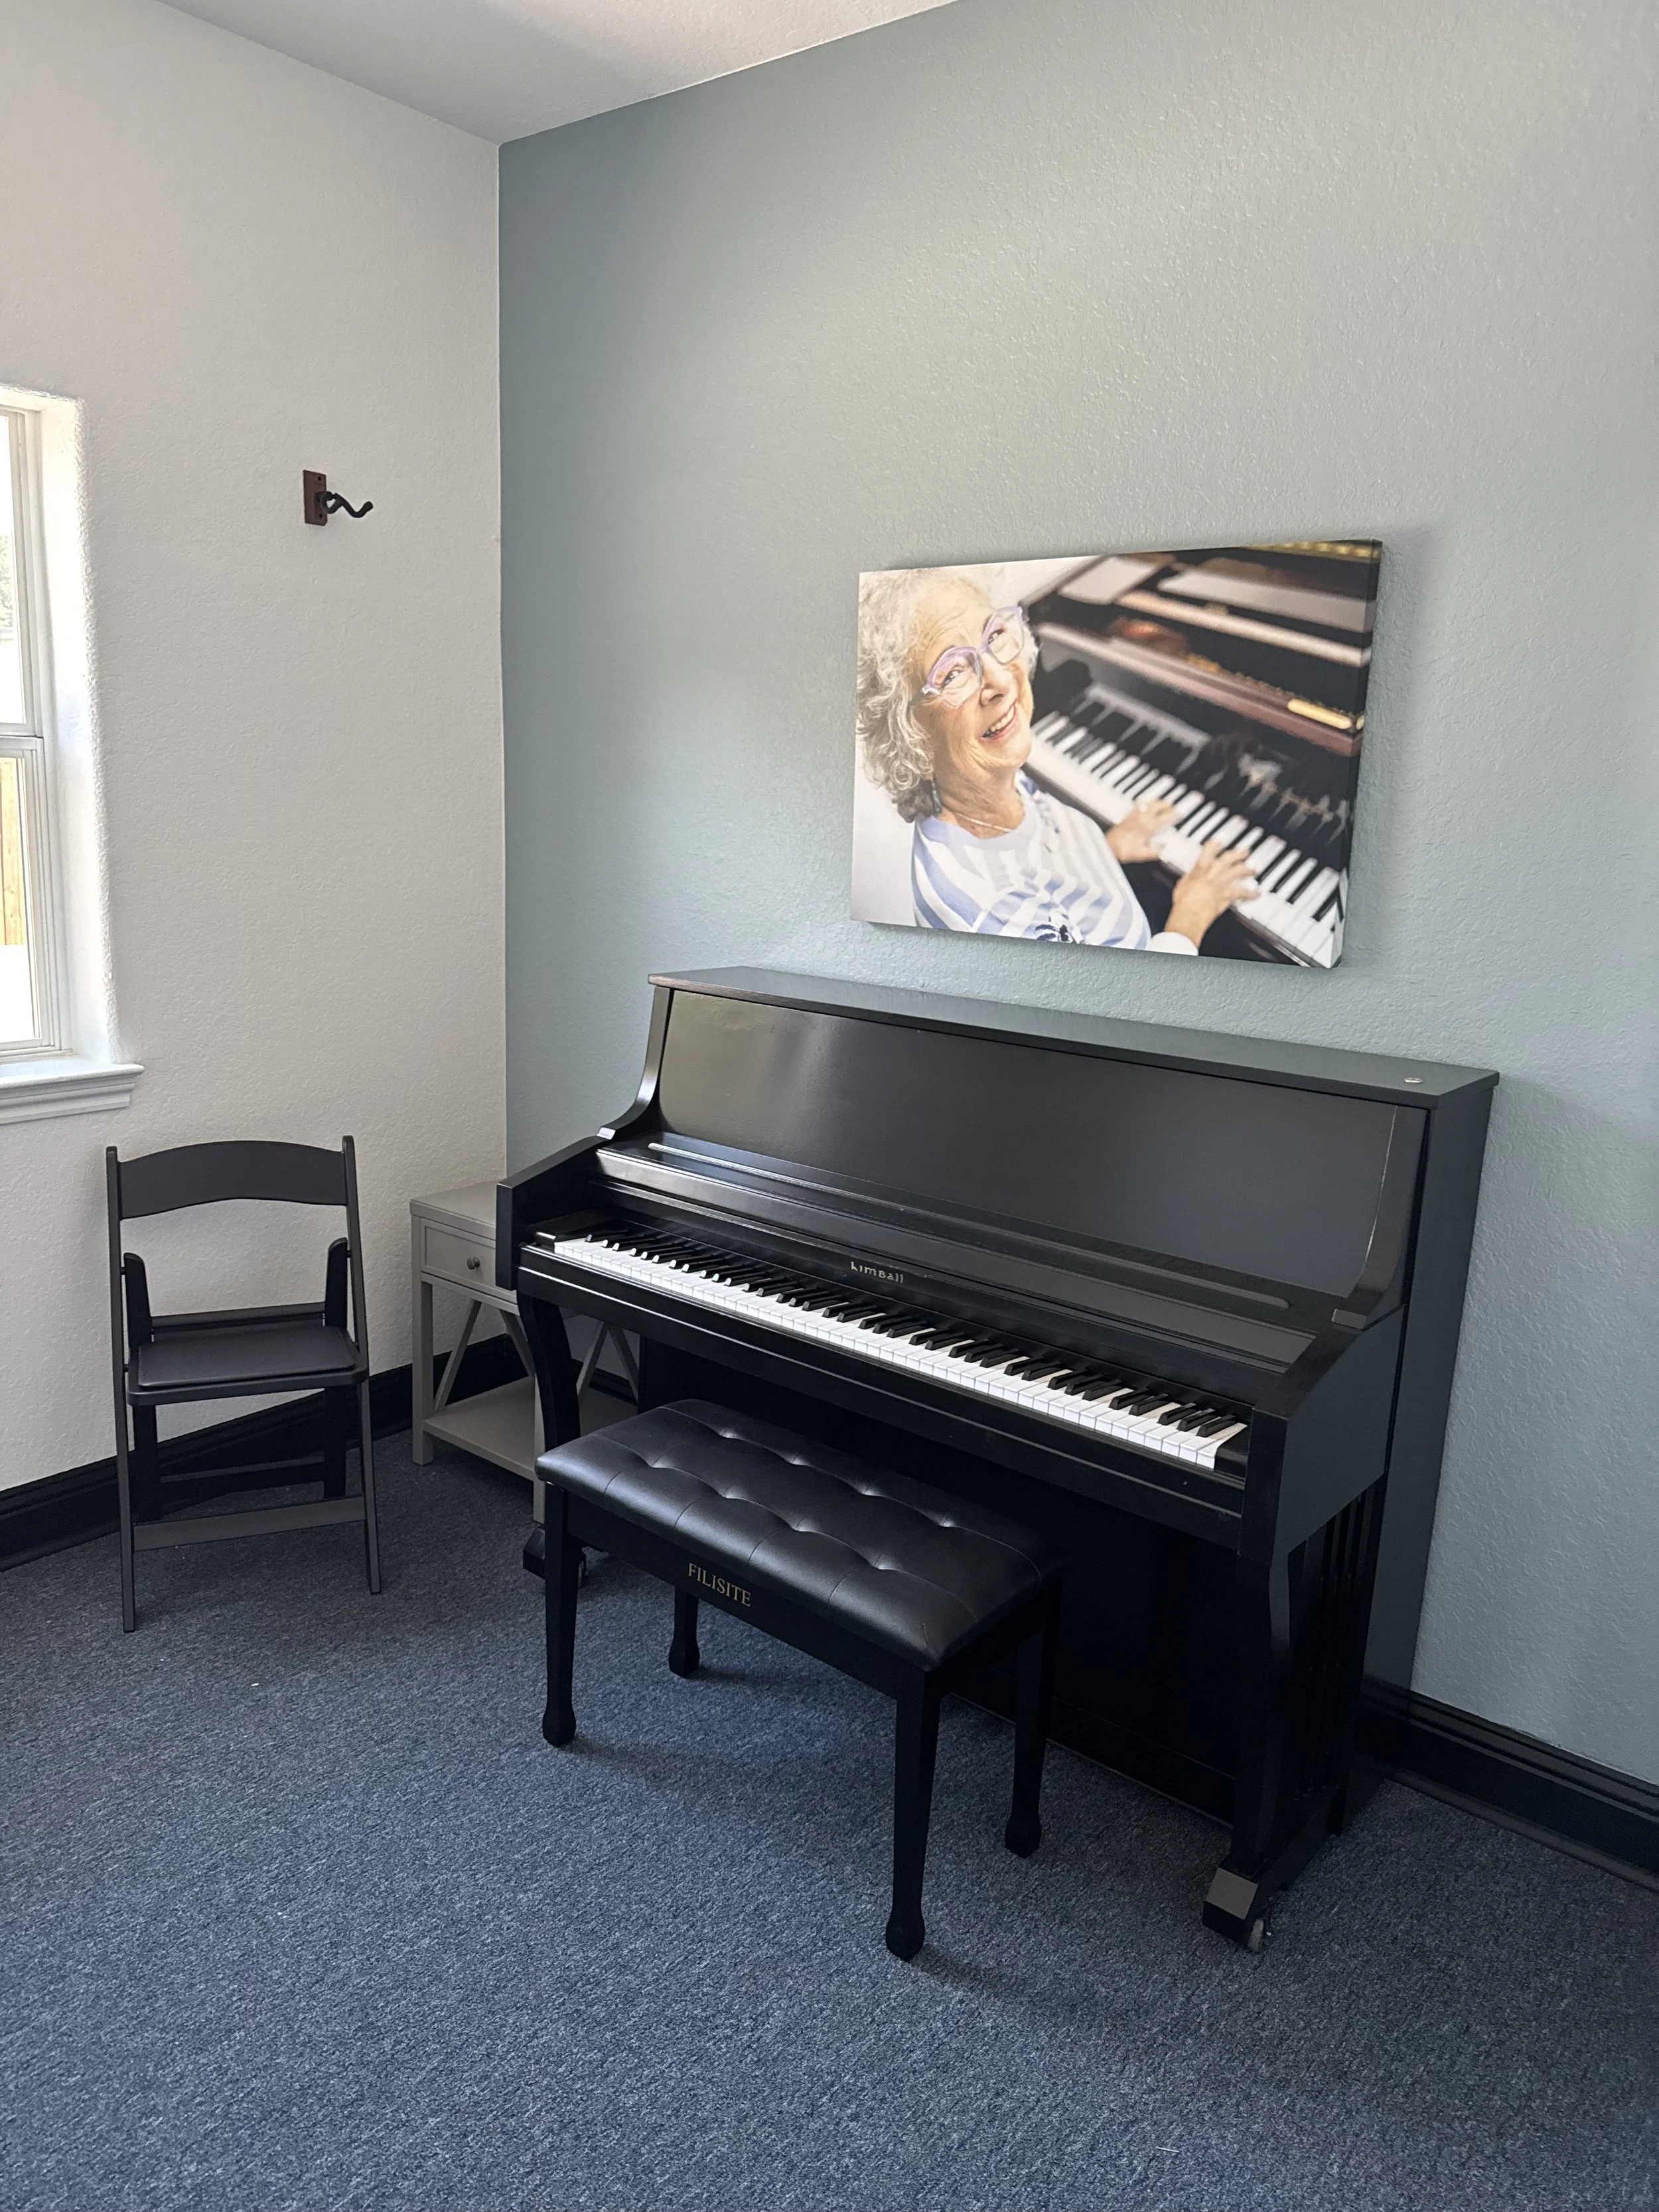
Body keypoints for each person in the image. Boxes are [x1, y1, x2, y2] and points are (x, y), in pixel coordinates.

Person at [856, 568, 1254, 950]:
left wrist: (1101, 852)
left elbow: (1038, 859)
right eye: (952, 673)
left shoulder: (987, 784)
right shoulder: (993, 913)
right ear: (909, 734)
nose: (1001, 679)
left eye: (993, 635)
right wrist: (1190, 917)